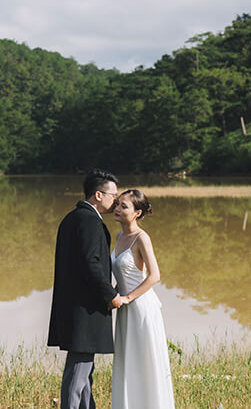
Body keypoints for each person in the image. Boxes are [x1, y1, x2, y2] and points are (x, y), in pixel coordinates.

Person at [48, 169, 127, 409]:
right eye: (114, 195)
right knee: (78, 370)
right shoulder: (90, 221)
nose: (116, 200)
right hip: (85, 309)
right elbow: (90, 264)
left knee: (84, 370)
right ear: (98, 195)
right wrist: (111, 295)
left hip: (73, 306)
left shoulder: (72, 218)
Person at [110, 189, 175, 409]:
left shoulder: (141, 238)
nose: (117, 209)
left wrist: (127, 297)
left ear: (137, 213)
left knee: (145, 363)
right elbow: (124, 274)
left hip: (142, 308)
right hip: (125, 309)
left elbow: (155, 276)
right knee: (129, 363)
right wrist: (114, 293)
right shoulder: (119, 237)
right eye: (117, 204)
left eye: (123, 206)